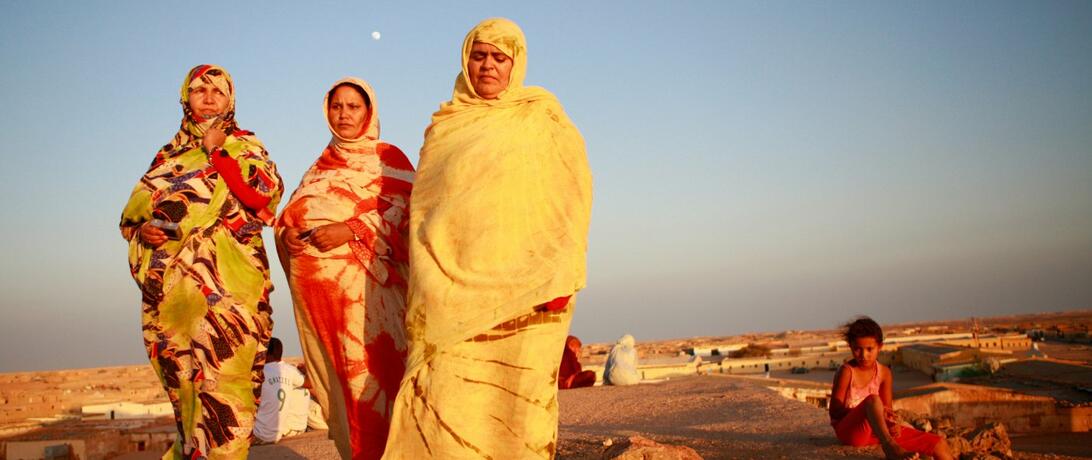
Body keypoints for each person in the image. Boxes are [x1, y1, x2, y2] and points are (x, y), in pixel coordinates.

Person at [382, 18, 592, 459]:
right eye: (479, 56)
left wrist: (558, 272)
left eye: (500, 57)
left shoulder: (542, 116)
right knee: (446, 405)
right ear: (465, 60)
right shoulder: (445, 127)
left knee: (520, 413)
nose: (488, 66)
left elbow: (571, 195)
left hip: (531, 291)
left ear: (516, 63)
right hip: (448, 297)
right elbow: (427, 212)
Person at [119, 64, 283, 459]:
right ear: (184, 98)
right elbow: (133, 218)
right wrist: (145, 234)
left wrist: (216, 150)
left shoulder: (246, 145)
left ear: (231, 99)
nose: (208, 97)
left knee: (230, 392)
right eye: (199, 90)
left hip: (232, 298)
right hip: (176, 300)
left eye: (218, 91)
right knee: (187, 393)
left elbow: (260, 196)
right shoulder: (167, 156)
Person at [275, 77, 413, 460]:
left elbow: (409, 217)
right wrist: (286, 236)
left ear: (369, 111)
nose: (344, 114)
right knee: (344, 394)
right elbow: (290, 217)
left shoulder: (389, 160)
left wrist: (350, 229)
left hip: (374, 309)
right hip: (324, 313)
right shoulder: (317, 168)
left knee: (378, 386)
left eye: (353, 106)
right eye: (337, 106)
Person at [830, 317, 953, 460]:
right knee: (873, 401)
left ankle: (890, 440)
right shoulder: (847, 371)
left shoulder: (884, 373)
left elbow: (887, 409)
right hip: (851, 432)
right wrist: (867, 412)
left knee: (938, 443)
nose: (864, 355)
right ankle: (890, 447)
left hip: (877, 432)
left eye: (870, 349)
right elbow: (835, 412)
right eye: (857, 349)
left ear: (880, 347)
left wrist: (890, 422)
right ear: (850, 346)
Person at [253, 338, 310, 444]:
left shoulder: (259, 373)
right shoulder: (290, 370)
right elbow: (310, 384)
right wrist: (306, 371)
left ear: (267, 353)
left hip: (258, 435)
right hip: (276, 435)